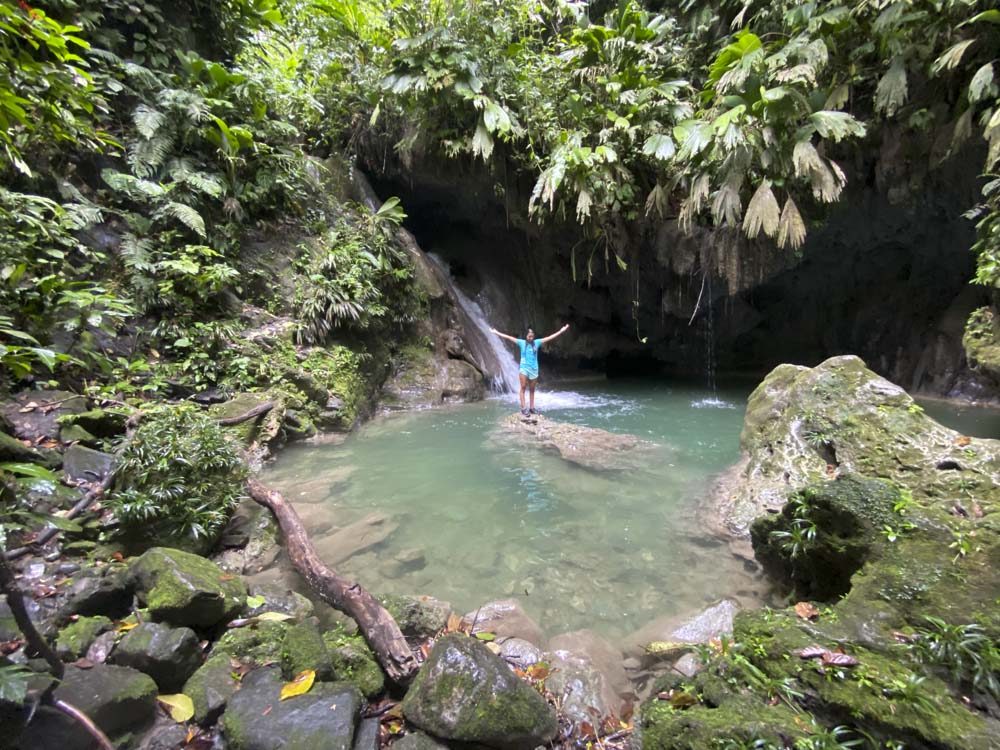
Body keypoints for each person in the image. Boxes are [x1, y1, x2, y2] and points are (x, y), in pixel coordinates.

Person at [489, 323, 570, 416]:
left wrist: (561, 331)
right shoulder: (521, 343)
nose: (531, 337)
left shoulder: (537, 342)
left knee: (532, 389)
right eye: (529, 336)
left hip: (534, 369)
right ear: (526, 336)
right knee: (523, 388)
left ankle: (531, 408)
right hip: (524, 368)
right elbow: (508, 337)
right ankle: (524, 408)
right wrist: (496, 332)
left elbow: (550, 337)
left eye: (532, 336)